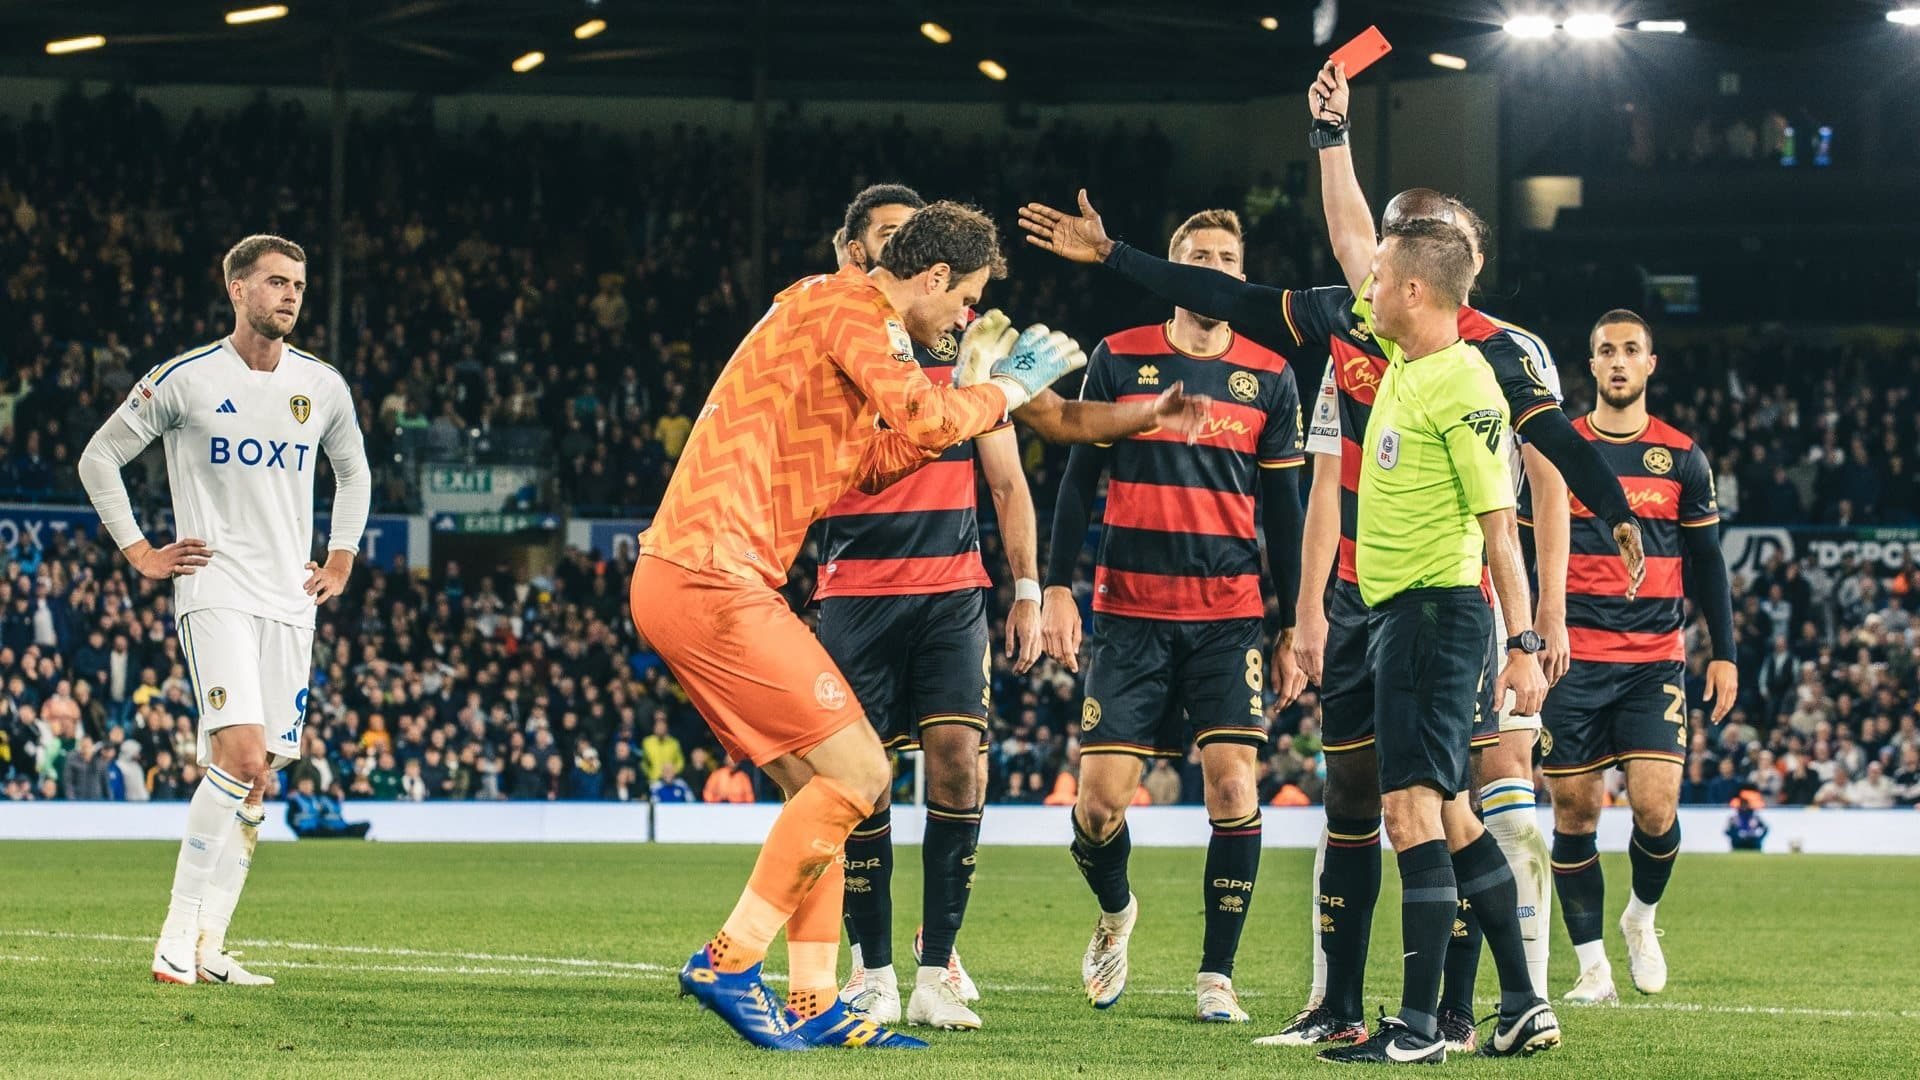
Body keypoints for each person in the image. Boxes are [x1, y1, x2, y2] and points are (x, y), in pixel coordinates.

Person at [1020, 70, 1641, 1055]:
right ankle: (1351, 1006)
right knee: (1369, 803)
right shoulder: (1368, 336)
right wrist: (1127, 252)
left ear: (1419, 273)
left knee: (1435, 807)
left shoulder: (1492, 361)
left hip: (1445, 605)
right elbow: (1235, 298)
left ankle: (1457, 1010)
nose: (1366, 262)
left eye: (1387, 252)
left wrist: (1564, 585)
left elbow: (1540, 471)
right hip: (1363, 602)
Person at [630, 201, 1134, 1051]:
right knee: (863, 772)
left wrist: (976, 399)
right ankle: (728, 958)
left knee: (821, 786)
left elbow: (870, 461)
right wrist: (1006, 387)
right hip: (714, 572)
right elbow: (928, 416)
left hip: (694, 573)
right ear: (933, 277)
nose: (964, 317)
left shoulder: (822, 314)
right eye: (965, 298)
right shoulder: (853, 308)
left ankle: (816, 1001)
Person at [77, 234, 370, 987]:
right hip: (215, 590)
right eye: (275, 282)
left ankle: (209, 945)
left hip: (290, 600)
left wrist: (340, 555)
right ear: (236, 288)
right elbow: (98, 457)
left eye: (298, 285)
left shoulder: (323, 386)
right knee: (238, 756)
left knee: (257, 776)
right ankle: (174, 936)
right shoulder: (187, 379)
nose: (291, 295)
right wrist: (140, 549)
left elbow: (353, 469)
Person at [1040, 207, 1307, 1024]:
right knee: (1097, 808)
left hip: (1227, 618)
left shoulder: (1270, 374)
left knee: (1233, 788)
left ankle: (1215, 975)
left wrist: (1294, 622)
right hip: (1128, 612)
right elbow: (1080, 477)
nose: (1215, 269)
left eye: (1228, 259)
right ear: (1175, 265)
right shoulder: (1120, 357)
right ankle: (1117, 911)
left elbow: (1286, 513)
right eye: (1199, 257)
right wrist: (1056, 586)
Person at [1320, 219, 1559, 1063]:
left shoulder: (1464, 386)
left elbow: (1503, 530)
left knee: (1408, 810)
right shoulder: (1409, 361)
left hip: (1434, 613)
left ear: (1415, 291)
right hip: (1406, 617)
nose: (1367, 288)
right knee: (1455, 816)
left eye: (1380, 276)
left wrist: (1525, 641)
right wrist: (1329, 136)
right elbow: (1348, 236)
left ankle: (1420, 1028)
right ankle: (1525, 1004)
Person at [1539, 310, 1737, 1007]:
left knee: (1656, 809)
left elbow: (1708, 562)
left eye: (1630, 350)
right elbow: (1525, 555)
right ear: (1589, 366)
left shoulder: (1682, 456)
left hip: (1655, 660)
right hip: (1573, 660)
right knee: (1575, 812)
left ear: (1651, 364)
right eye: (1605, 351)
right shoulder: (1558, 451)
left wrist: (1725, 655)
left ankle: (1640, 920)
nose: (1618, 361)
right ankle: (1591, 966)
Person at [285, 775, 370, 839]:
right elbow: (289, 819)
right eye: (304, 784)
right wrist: (297, 831)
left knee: (364, 825)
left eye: (309, 784)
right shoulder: (295, 800)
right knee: (330, 832)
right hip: (305, 830)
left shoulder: (316, 799)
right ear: (299, 786)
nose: (307, 787)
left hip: (318, 828)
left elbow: (323, 813)